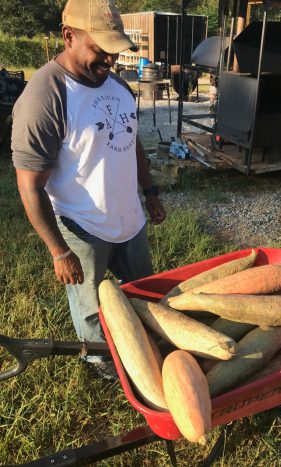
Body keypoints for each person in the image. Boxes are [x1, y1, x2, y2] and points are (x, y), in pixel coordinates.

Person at [11, 0, 166, 381]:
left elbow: (132, 142)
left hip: (130, 219)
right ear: (68, 36)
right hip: (82, 228)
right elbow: (29, 186)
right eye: (101, 50)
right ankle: (101, 364)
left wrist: (149, 191)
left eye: (114, 51)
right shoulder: (45, 96)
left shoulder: (116, 85)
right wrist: (59, 250)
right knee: (92, 307)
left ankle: (143, 349)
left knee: (142, 295)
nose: (110, 61)